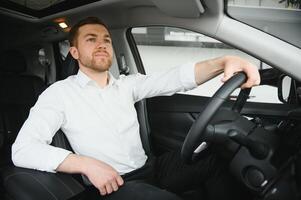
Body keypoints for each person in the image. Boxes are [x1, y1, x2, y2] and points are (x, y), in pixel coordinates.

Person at [12, 17, 260, 200]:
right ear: (74, 52)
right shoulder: (59, 94)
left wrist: (224, 61)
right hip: (113, 185)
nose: (102, 44)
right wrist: (86, 165)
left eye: (106, 40)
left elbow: (175, 78)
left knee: (216, 160)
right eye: (91, 39)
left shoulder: (127, 85)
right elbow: (22, 149)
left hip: (151, 168)